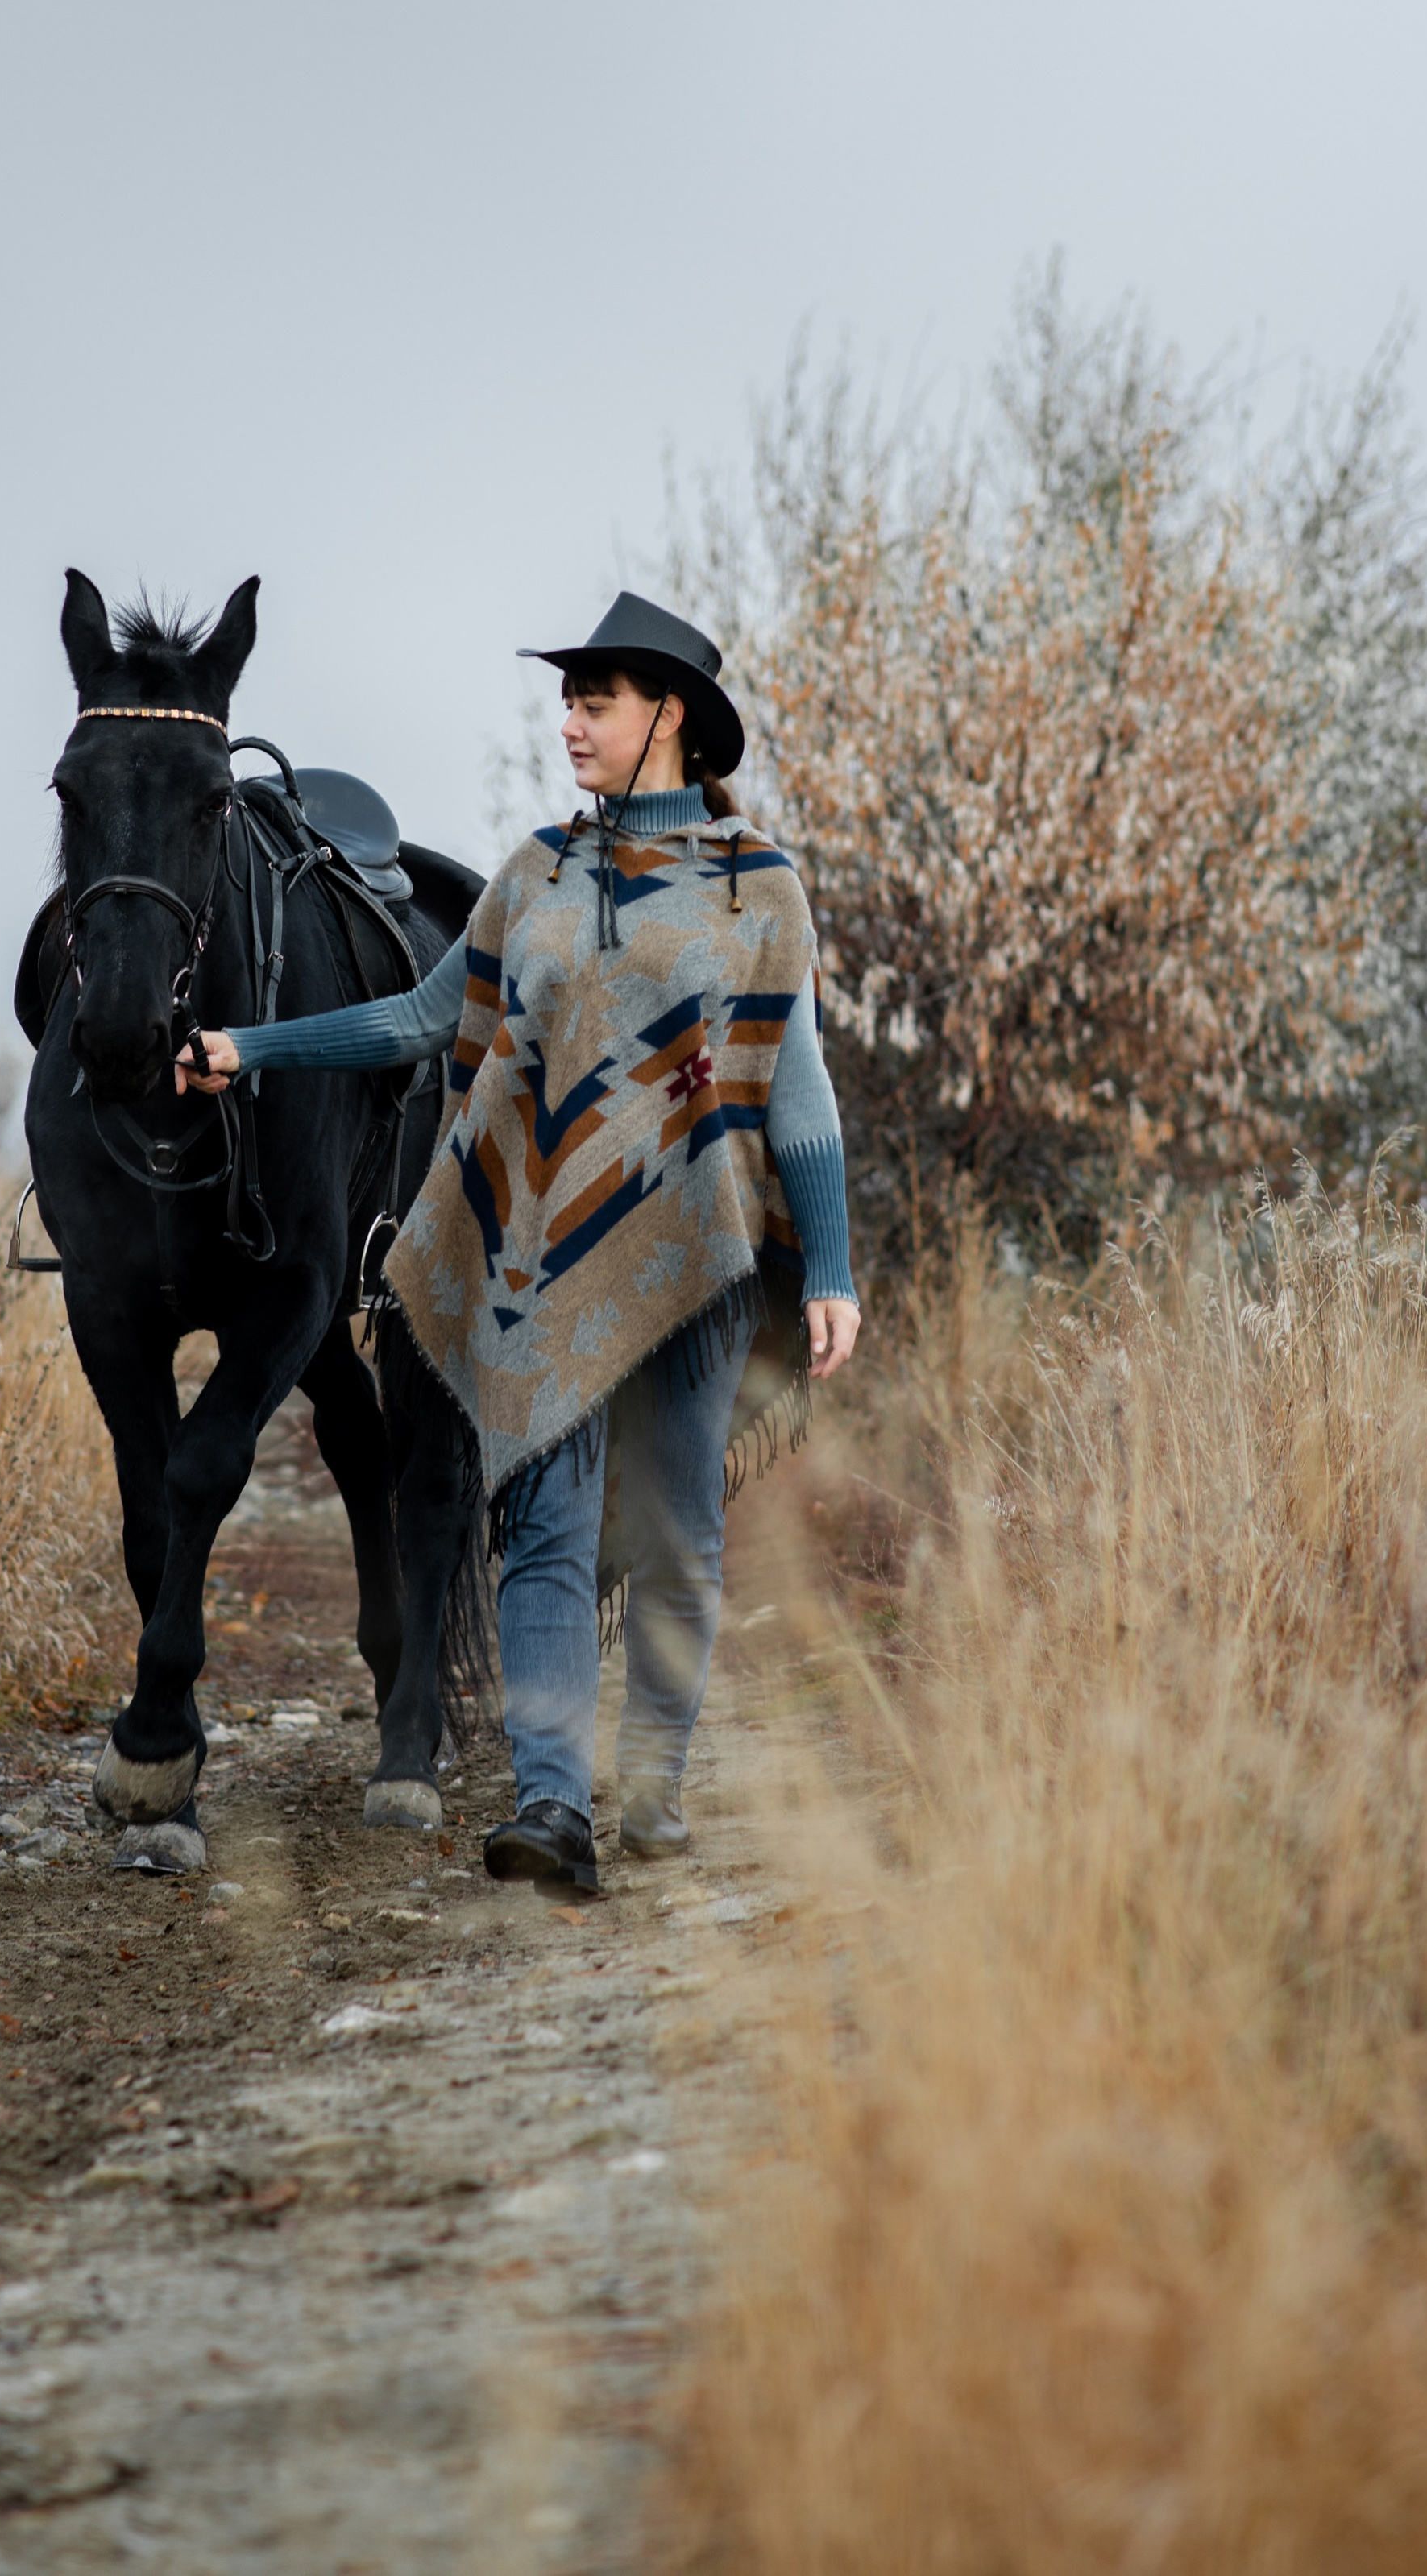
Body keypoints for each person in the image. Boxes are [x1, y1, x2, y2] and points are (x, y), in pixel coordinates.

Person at [180, 591, 861, 1895]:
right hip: (542, 1255)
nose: (570, 724)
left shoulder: (759, 886)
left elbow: (799, 1087)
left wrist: (825, 1267)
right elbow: (419, 1024)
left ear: (668, 717)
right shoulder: (537, 872)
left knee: (675, 1533)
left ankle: (652, 1781)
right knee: (542, 1520)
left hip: (703, 1258)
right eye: (567, 700)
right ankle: (554, 1807)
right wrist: (249, 1049)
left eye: (594, 701)